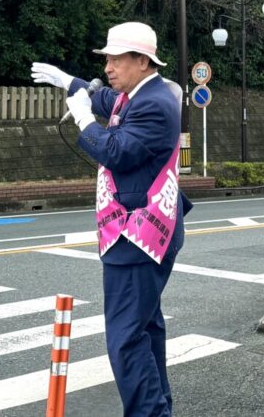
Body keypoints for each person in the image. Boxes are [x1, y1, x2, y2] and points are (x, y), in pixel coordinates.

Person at [31, 21, 189, 417]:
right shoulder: (137, 93)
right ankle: (158, 410)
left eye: (117, 58)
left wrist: (84, 120)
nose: (108, 66)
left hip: (138, 233)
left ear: (142, 60)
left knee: (124, 338)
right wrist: (69, 83)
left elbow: (116, 152)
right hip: (145, 229)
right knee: (145, 329)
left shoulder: (153, 103)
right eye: (107, 59)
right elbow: (100, 97)